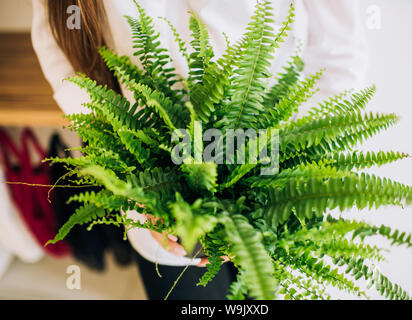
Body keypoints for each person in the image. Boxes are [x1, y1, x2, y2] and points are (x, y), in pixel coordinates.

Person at [31, 0, 369, 299]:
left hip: (273, 190)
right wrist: (137, 185)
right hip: (157, 206)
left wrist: (290, 170)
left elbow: (337, 52)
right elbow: (60, 50)